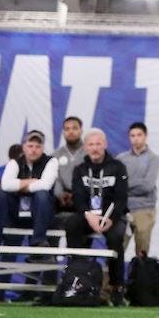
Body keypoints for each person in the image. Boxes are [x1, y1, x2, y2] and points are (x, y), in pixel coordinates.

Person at [65, 128, 129, 306]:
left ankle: (117, 289)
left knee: (117, 238)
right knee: (71, 225)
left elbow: (121, 198)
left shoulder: (117, 167)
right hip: (88, 215)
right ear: (85, 147)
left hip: (111, 217)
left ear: (105, 145)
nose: (94, 148)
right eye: (91, 144)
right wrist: (88, 215)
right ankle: (77, 279)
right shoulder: (80, 169)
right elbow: (77, 197)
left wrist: (112, 218)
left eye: (98, 144)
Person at [0, 130, 57, 249]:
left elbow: (45, 185)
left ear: (43, 148)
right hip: (16, 210)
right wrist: (32, 182)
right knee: (1, 194)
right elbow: (6, 185)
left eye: (37, 147)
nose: (33, 150)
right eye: (30, 146)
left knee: (42, 195)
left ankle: (39, 240)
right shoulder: (15, 162)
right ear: (24, 148)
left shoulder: (51, 161)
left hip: (40, 211)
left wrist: (19, 186)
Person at [116, 122, 159, 257]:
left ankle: (139, 278)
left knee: (142, 252)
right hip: (124, 209)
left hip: (145, 209)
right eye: (132, 135)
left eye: (139, 135)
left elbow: (148, 186)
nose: (136, 139)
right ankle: (110, 279)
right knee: (117, 251)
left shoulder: (153, 158)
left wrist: (126, 184)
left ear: (145, 136)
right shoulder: (121, 159)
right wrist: (139, 182)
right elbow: (118, 186)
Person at [53, 116, 87, 212]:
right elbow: (55, 179)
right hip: (61, 197)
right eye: (67, 129)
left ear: (81, 131)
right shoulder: (55, 155)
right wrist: (60, 194)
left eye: (74, 128)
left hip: (85, 195)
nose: (71, 132)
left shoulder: (90, 153)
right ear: (63, 132)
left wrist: (77, 194)